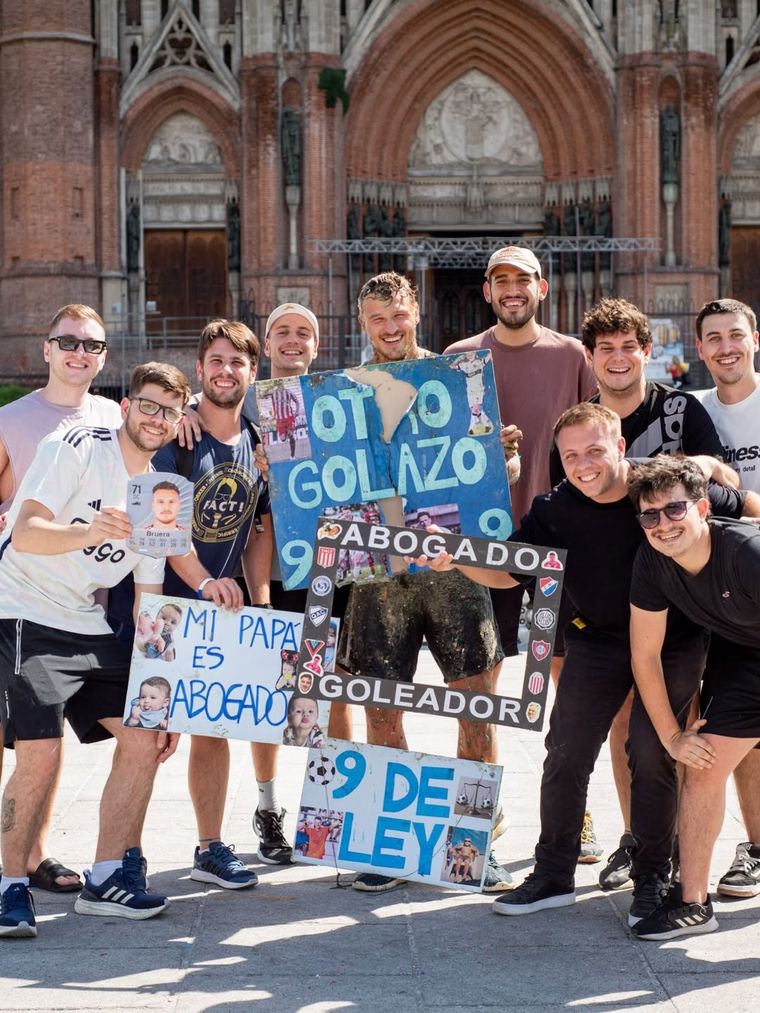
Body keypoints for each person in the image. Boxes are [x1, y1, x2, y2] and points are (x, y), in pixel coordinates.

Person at [417, 402, 755, 925]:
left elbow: (740, 505)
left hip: (675, 641)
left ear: (621, 448)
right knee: (566, 748)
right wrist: (457, 557)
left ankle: (652, 877)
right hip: (596, 640)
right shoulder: (554, 509)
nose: (583, 464)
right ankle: (553, 872)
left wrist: (714, 471)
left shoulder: (658, 490)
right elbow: (510, 572)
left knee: (651, 750)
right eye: (571, 455)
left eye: (595, 450)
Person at [0, 361, 241, 938]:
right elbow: (26, 531)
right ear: (127, 406)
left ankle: (108, 875)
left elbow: (149, 598)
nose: (158, 419)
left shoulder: (161, 492)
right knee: (41, 752)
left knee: (145, 732)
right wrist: (90, 531)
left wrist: (161, 689)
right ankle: (8, 884)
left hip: (88, 622)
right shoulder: (76, 446)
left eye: (170, 410)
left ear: (180, 419)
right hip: (25, 609)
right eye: (148, 405)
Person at [337, 271, 512, 894]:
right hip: (377, 574)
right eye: (377, 319)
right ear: (363, 323)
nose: (389, 329)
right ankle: (386, 847)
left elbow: (489, 469)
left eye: (399, 316)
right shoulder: (341, 394)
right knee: (381, 712)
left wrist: (502, 458)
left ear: (417, 314)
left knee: (476, 709)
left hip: (452, 570)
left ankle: (473, 844)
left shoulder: (454, 382)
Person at [553, 297, 731, 892]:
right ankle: (638, 842)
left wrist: (693, 463)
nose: (619, 357)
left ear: (647, 352)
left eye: (629, 346)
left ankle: (673, 849)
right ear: (590, 357)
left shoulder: (678, 408)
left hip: (680, 606)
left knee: (667, 733)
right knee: (626, 730)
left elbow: (720, 481)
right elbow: (566, 510)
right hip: (605, 608)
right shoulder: (583, 423)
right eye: (606, 348)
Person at [444, 245, 600, 857]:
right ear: (486, 290)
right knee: (476, 686)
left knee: (567, 686)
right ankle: (480, 816)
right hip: (482, 548)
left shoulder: (572, 356)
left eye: (523, 280)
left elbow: (599, 435)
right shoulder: (459, 359)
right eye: (501, 280)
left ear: (542, 287)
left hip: (554, 550)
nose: (513, 290)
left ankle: (573, 815)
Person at [148, 320, 282, 883]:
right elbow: (161, 529)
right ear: (200, 370)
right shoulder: (177, 438)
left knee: (211, 729)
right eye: (217, 361)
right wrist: (204, 582)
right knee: (144, 739)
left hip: (221, 612)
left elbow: (258, 529)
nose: (228, 371)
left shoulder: (257, 442)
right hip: (166, 607)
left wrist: (262, 598)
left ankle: (209, 847)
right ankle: (119, 856)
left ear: (254, 373)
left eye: (239, 363)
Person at [0, 304, 122, 894]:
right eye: (68, 342)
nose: (79, 353)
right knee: (18, 743)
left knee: (40, 741)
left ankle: (32, 854)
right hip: (14, 600)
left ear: (104, 356)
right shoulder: (11, 420)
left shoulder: (115, 416)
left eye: (92, 345)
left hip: (80, 604)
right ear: (46, 349)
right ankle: (10, 860)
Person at [628, 456, 760, 939]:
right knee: (702, 763)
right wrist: (672, 737)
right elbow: (645, 653)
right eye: (650, 515)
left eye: (675, 510)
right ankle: (693, 905)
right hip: (743, 655)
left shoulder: (747, 553)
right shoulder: (653, 562)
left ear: (703, 507)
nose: (663, 525)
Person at [693, 297, 760, 899]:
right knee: (739, 727)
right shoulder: (694, 412)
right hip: (722, 591)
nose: (725, 347)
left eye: (734, 335)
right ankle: (758, 849)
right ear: (700, 349)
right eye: (713, 338)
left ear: (754, 338)